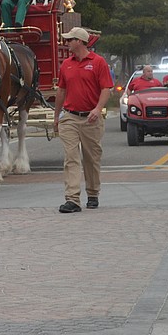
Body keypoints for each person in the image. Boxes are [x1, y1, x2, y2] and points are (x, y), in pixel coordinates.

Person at [53, 27, 113, 214]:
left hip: (90, 118)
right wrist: (57, 116)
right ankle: (72, 199)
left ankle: (93, 193)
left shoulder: (98, 63)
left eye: (70, 39)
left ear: (79, 41)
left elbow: (106, 89)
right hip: (70, 117)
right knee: (71, 158)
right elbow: (61, 91)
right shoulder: (66, 65)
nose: (67, 42)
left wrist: (97, 108)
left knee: (91, 158)